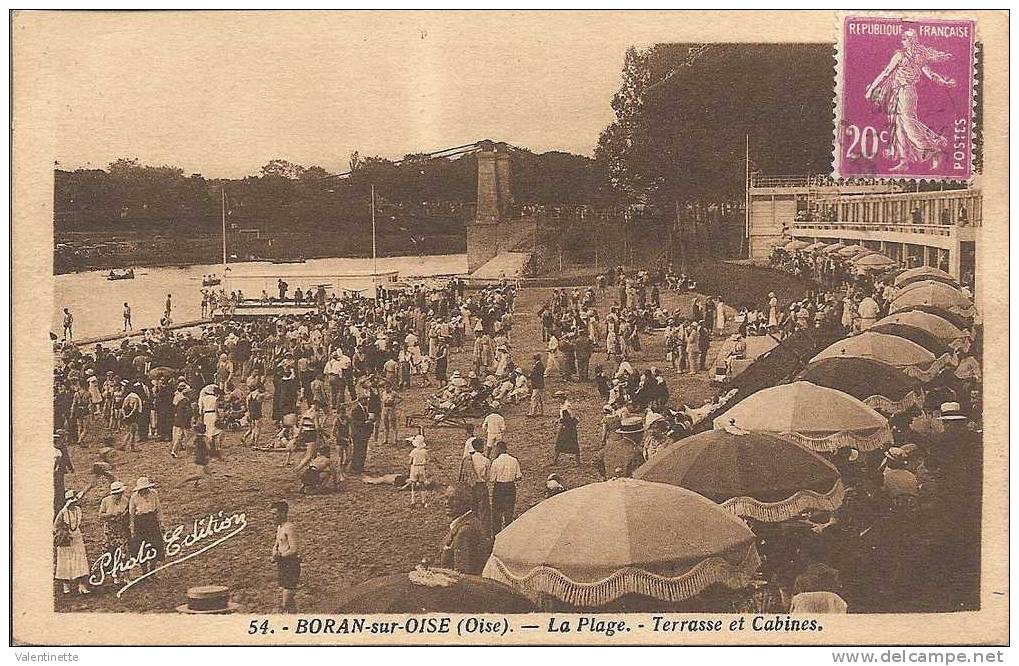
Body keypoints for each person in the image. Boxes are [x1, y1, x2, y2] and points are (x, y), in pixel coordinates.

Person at [438, 488, 492, 575]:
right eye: (446, 498)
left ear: (466, 503)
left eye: (453, 499)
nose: (447, 502)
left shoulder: (464, 531)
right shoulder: (471, 521)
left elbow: (461, 575)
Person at [54, 489, 90, 594]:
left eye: (75, 501)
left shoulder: (78, 510)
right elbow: (55, 527)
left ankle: (81, 585)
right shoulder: (63, 512)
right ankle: (66, 585)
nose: (74, 503)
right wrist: (65, 534)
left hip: (77, 538)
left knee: (80, 560)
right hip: (66, 540)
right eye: (72, 502)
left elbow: (77, 525)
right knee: (66, 561)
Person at [128, 476, 164, 574]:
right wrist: (132, 527)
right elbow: (131, 513)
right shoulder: (134, 497)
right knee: (142, 547)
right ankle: (144, 572)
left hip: (152, 521)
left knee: (154, 545)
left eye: (145, 488)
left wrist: (161, 522)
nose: (144, 490)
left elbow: (158, 508)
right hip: (140, 523)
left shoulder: (153, 494)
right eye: (142, 489)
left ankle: (152, 571)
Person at [270, 500, 300, 613]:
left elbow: (294, 549)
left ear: (283, 513)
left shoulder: (289, 528)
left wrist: (280, 556)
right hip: (283, 564)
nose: (272, 517)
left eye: (275, 514)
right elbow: (277, 544)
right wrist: (274, 552)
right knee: (289, 602)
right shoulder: (280, 527)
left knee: (286, 600)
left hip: (291, 565)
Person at [97, 482, 130, 584]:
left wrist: (123, 515)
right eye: (117, 493)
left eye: (120, 492)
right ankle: (115, 575)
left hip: (121, 529)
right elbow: (100, 515)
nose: (119, 495)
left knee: (124, 552)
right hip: (110, 531)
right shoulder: (106, 501)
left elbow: (128, 513)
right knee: (112, 552)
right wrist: (111, 514)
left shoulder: (125, 500)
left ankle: (126, 575)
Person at [489, 441, 522, 534]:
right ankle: (508, 533)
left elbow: (492, 479)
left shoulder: (495, 462)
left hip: (499, 487)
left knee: (497, 513)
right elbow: (519, 476)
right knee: (509, 512)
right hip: (510, 487)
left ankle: (497, 534)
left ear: (498, 449)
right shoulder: (514, 460)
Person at [348, 394, 373, 474]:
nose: (367, 401)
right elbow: (354, 422)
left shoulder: (364, 409)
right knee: (358, 451)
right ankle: (355, 468)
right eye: (365, 400)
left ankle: (360, 467)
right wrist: (365, 423)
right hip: (358, 434)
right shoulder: (356, 410)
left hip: (363, 434)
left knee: (362, 451)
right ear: (360, 400)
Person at [553, 400, 581, 465]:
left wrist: (562, 421)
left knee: (573, 443)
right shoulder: (562, 405)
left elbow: (570, 417)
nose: (558, 399)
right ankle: (555, 461)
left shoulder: (567, 406)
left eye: (559, 398)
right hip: (565, 426)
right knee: (559, 443)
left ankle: (578, 462)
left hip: (569, 427)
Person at [408, 434, 431, 508]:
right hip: (421, 468)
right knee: (422, 485)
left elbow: (410, 461)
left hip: (414, 468)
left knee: (413, 485)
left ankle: (413, 502)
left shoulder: (413, 451)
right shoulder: (424, 451)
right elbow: (428, 459)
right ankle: (423, 501)